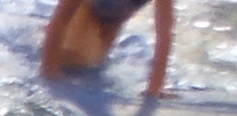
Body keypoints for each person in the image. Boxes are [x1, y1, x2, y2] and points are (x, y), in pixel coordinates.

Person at [42, 0, 173, 97]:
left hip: (114, 20)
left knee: (94, 61)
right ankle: (50, 39)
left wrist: (155, 86)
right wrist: (50, 69)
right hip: (88, 9)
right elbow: (62, 17)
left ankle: (58, 38)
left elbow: (163, 33)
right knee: (77, 59)